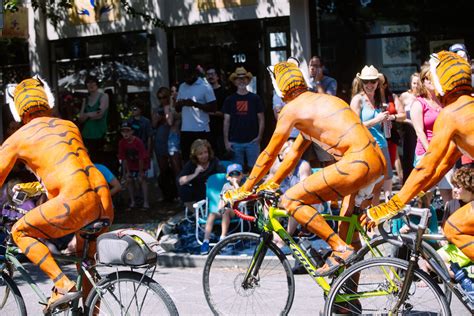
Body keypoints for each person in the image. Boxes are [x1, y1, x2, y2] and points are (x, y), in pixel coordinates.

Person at [224, 58, 385, 276]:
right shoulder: (320, 101)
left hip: (357, 163)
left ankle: (339, 247)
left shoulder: (291, 109)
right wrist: (271, 184)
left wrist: (244, 189)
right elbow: (293, 154)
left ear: (280, 89)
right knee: (349, 231)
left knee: (290, 200)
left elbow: (269, 153)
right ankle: (346, 304)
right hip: (377, 163)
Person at [2, 77, 113, 312]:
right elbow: (65, 168)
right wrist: (35, 188)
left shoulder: (17, 138)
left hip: (75, 202)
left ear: (18, 110)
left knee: (20, 231)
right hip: (103, 199)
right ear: (48, 102)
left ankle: (61, 283)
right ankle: (91, 310)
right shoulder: (69, 125)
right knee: (87, 265)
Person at [366, 51, 473, 261]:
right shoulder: (466, 106)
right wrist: (408, 196)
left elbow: (427, 167)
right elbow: (441, 166)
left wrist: (391, 206)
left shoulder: (451, 114)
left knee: (453, 227)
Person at [350, 65, 394, 204]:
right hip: (367, 147)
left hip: (382, 144)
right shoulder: (358, 100)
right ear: (361, 82)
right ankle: (365, 217)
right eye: (366, 82)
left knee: (385, 182)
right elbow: (354, 126)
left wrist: (386, 122)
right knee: (369, 186)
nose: (370, 85)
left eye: (373, 81)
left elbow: (379, 125)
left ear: (377, 82)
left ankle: (378, 218)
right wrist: (377, 120)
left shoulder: (379, 99)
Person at [411, 63, 453, 205]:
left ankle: (449, 225)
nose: (432, 81)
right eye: (428, 79)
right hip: (426, 152)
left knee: (448, 191)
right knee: (425, 194)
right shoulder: (419, 103)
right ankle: (425, 226)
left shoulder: (444, 101)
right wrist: (432, 152)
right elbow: (419, 131)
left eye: (434, 78)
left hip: (445, 151)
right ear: (423, 81)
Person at [223, 67, 265, 169]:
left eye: (244, 78)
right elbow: (226, 122)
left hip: (252, 141)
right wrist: (226, 142)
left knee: (255, 170)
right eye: (238, 78)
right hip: (235, 142)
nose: (241, 81)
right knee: (236, 171)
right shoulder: (229, 99)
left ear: (248, 80)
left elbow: (261, 119)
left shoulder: (255, 98)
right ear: (234, 82)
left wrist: (259, 137)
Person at [175, 62, 217, 162]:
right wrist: (181, 103)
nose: (186, 78)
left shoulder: (205, 86)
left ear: (195, 74)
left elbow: (213, 108)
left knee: (204, 160)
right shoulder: (182, 86)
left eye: (189, 75)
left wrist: (195, 104)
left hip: (201, 130)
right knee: (187, 159)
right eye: (184, 76)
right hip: (186, 129)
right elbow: (177, 109)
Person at [200, 163, 245, 255]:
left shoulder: (243, 186)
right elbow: (222, 198)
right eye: (232, 174)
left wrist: (236, 184)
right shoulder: (226, 186)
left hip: (235, 210)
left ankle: (222, 238)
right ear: (228, 177)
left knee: (226, 211)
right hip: (224, 209)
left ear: (242, 175)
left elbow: (241, 196)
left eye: (237, 174)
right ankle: (205, 241)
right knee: (212, 215)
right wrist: (220, 207)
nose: (234, 177)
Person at [177, 139, 224, 215]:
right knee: (183, 189)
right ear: (195, 156)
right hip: (198, 192)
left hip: (214, 191)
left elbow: (224, 174)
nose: (204, 156)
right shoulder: (191, 164)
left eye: (205, 152)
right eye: (200, 154)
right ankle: (197, 214)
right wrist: (195, 174)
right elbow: (181, 181)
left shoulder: (214, 161)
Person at [380, 73, 407, 187]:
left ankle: (399, 184)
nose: (378, 85)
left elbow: (403, 115)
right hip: (376, 133)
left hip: (390, 132)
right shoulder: (369, 98)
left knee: (393, 158)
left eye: (381, 82)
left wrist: (393, 117)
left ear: (385, 84)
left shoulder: (392, 97)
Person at [118, 121, 150, 210]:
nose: (125, 133)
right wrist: (126, 173)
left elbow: (141, 158)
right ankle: (133, 201)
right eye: (123, 131)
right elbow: (123, 158)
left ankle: (146, 202)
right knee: (129, 180)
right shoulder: (121, 143)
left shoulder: (138, 142)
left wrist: (140, 172)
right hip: (130, 165)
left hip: (142, 164)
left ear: (132, 131)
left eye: (127, 131)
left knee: (142, 180)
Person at [78, 75, 109, 161]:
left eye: (93, 82)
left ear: (97, 84)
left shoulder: (104, 96)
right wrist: (92, 114)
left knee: (99, 160)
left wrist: (87, 115)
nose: (90, 85)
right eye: (88, 82)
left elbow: (100, 114)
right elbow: (80, 118)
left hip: (99, 134)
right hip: (86, 135)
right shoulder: (86, 99)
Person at [399, 72, 420, 183]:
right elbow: (399, 115)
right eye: (414, 83)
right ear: (410, 83)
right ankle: (407, 184)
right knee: (408, 159)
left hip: (421, 132)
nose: (416, 85)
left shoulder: (424, 96)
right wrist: (410, 122)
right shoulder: (404, 96)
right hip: (409, 132)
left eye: (418, 83)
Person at [206, 66, 229, 158]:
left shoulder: (224, 92)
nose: (210, 76)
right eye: (208, 74)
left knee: (220, 154)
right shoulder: (204, 91)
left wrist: (208, 113)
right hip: (207, 128)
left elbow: (225, 113)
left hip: (220, 129)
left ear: (217, 77)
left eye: (212, 74)